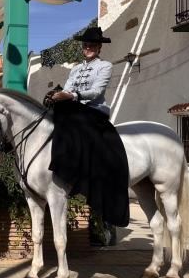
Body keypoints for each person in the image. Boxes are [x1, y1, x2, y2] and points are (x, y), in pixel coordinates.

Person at [50, 26, 129, 230]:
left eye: (92, 45)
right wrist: (58, 95)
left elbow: (96, 91)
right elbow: (67, 88)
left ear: (99, 48)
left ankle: (81, 172)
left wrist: (72, 96)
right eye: (85, 45)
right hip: (72, 107)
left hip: (94, 110)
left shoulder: (105, 66)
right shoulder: (75, 68)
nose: (88, 48)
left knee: (77, 121)